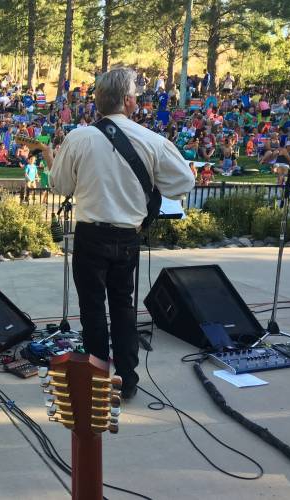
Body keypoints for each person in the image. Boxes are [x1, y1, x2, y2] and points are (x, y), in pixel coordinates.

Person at [45, 68, 195, 400]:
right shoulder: (152, 140)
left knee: (92, 310)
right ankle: (127, 380)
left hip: (90, 235)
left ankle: (98, 380)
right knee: (123, 308)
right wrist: (152, 183)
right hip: (128, 237)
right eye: (136, 98)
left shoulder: (79, 138)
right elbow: (184, 182)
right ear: (127, 101)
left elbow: (60, 186)